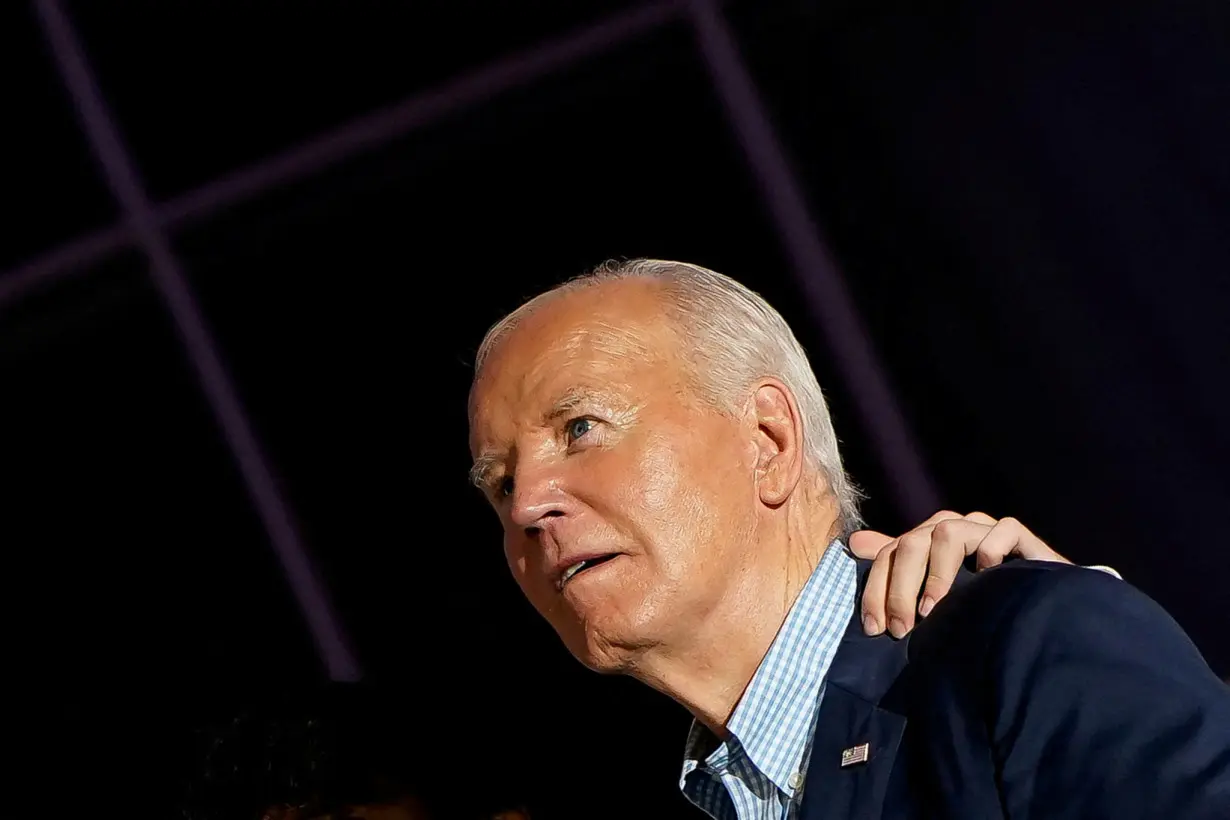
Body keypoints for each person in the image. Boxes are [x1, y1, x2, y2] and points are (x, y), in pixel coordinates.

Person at [467, 259, 1230, 819]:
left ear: (767, 439)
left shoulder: (1022, 652)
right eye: (500, 484)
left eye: (580, 429)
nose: (529, 504)